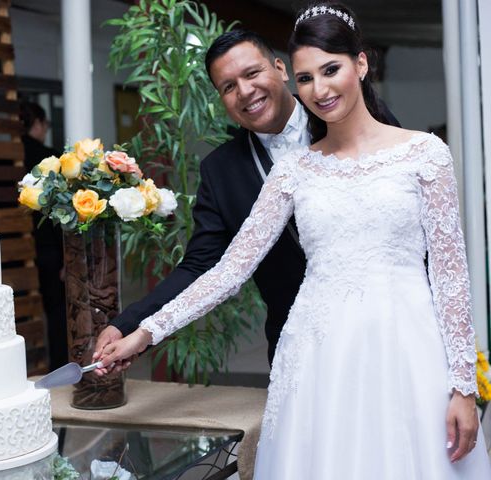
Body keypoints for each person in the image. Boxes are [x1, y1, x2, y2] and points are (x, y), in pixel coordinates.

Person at [97, 3, 491, 478]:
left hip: (406, 348)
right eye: (307, 79)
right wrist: (145, 331)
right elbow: (226, 270)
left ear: (360, 64)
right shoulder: (292, 171)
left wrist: (463, 386)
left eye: (331, 70)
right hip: (317, 354)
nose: (319, 89)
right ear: (293, 81)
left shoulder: (424, 154)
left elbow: (450, 277)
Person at [93, 28, 399, 369]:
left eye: (252, 73)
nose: (245, 91)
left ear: (281, 70)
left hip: (384, 326)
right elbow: (201, 266)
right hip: (297, 345)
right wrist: (130, 326)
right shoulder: (221, 171)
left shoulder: (348, 119)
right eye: (228, 87)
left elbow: (405, 220)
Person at [19, 101, 68, 371]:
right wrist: (66, 258)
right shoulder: (48, 159)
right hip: (48, 249)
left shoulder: (2, 158)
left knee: (22, 312)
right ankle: (59, 365)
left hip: (18, 252)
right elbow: (59, 212)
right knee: (56, 312)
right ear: (36, 124)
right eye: (45, 125)